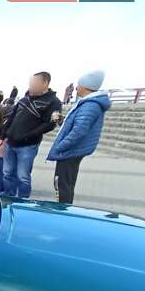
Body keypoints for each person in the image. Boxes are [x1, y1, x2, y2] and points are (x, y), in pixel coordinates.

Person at [47, 71, 109, 204]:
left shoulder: (90, 105)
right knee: (65, 183)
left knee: (63, 184)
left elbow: (79, 131)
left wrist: (61, 146)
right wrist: (62, 120)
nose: (76, 88)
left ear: (86, 86)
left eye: (78, 85)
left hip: (71, 151)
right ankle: (64, 208)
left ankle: (64, 212)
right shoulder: (88, 104)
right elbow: (78, 125)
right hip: (72, 150)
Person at [0, 72, 62, 199]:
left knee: (23, 176)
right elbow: (10, 119)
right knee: (7, 173)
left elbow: (51, 124)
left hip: (28, 146)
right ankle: (8, 197)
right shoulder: (23, 100)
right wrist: (2, 136)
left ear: (45, 84)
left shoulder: (54, 102)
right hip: (10, 143)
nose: (31, 86)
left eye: (34, 83)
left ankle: (22, 200)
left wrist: (28, 135)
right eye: (30, 83)